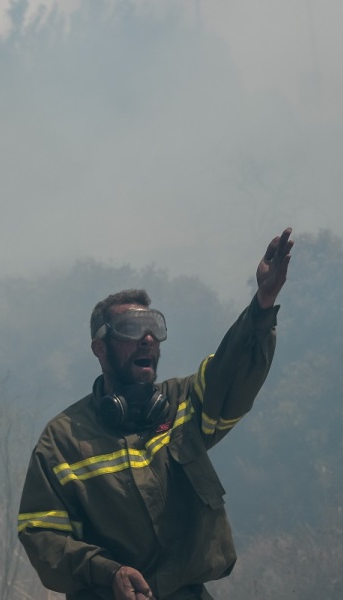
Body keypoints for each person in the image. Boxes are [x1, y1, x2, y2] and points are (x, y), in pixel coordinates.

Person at [17, 228, 294, 600]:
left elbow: (232, 372)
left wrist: (263, 302)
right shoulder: (62, 441)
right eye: (132, 329)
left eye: (154, 329)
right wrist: (108, 572)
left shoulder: (184, 403)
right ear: (100, 348)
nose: (148, 339)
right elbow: (41, 534)